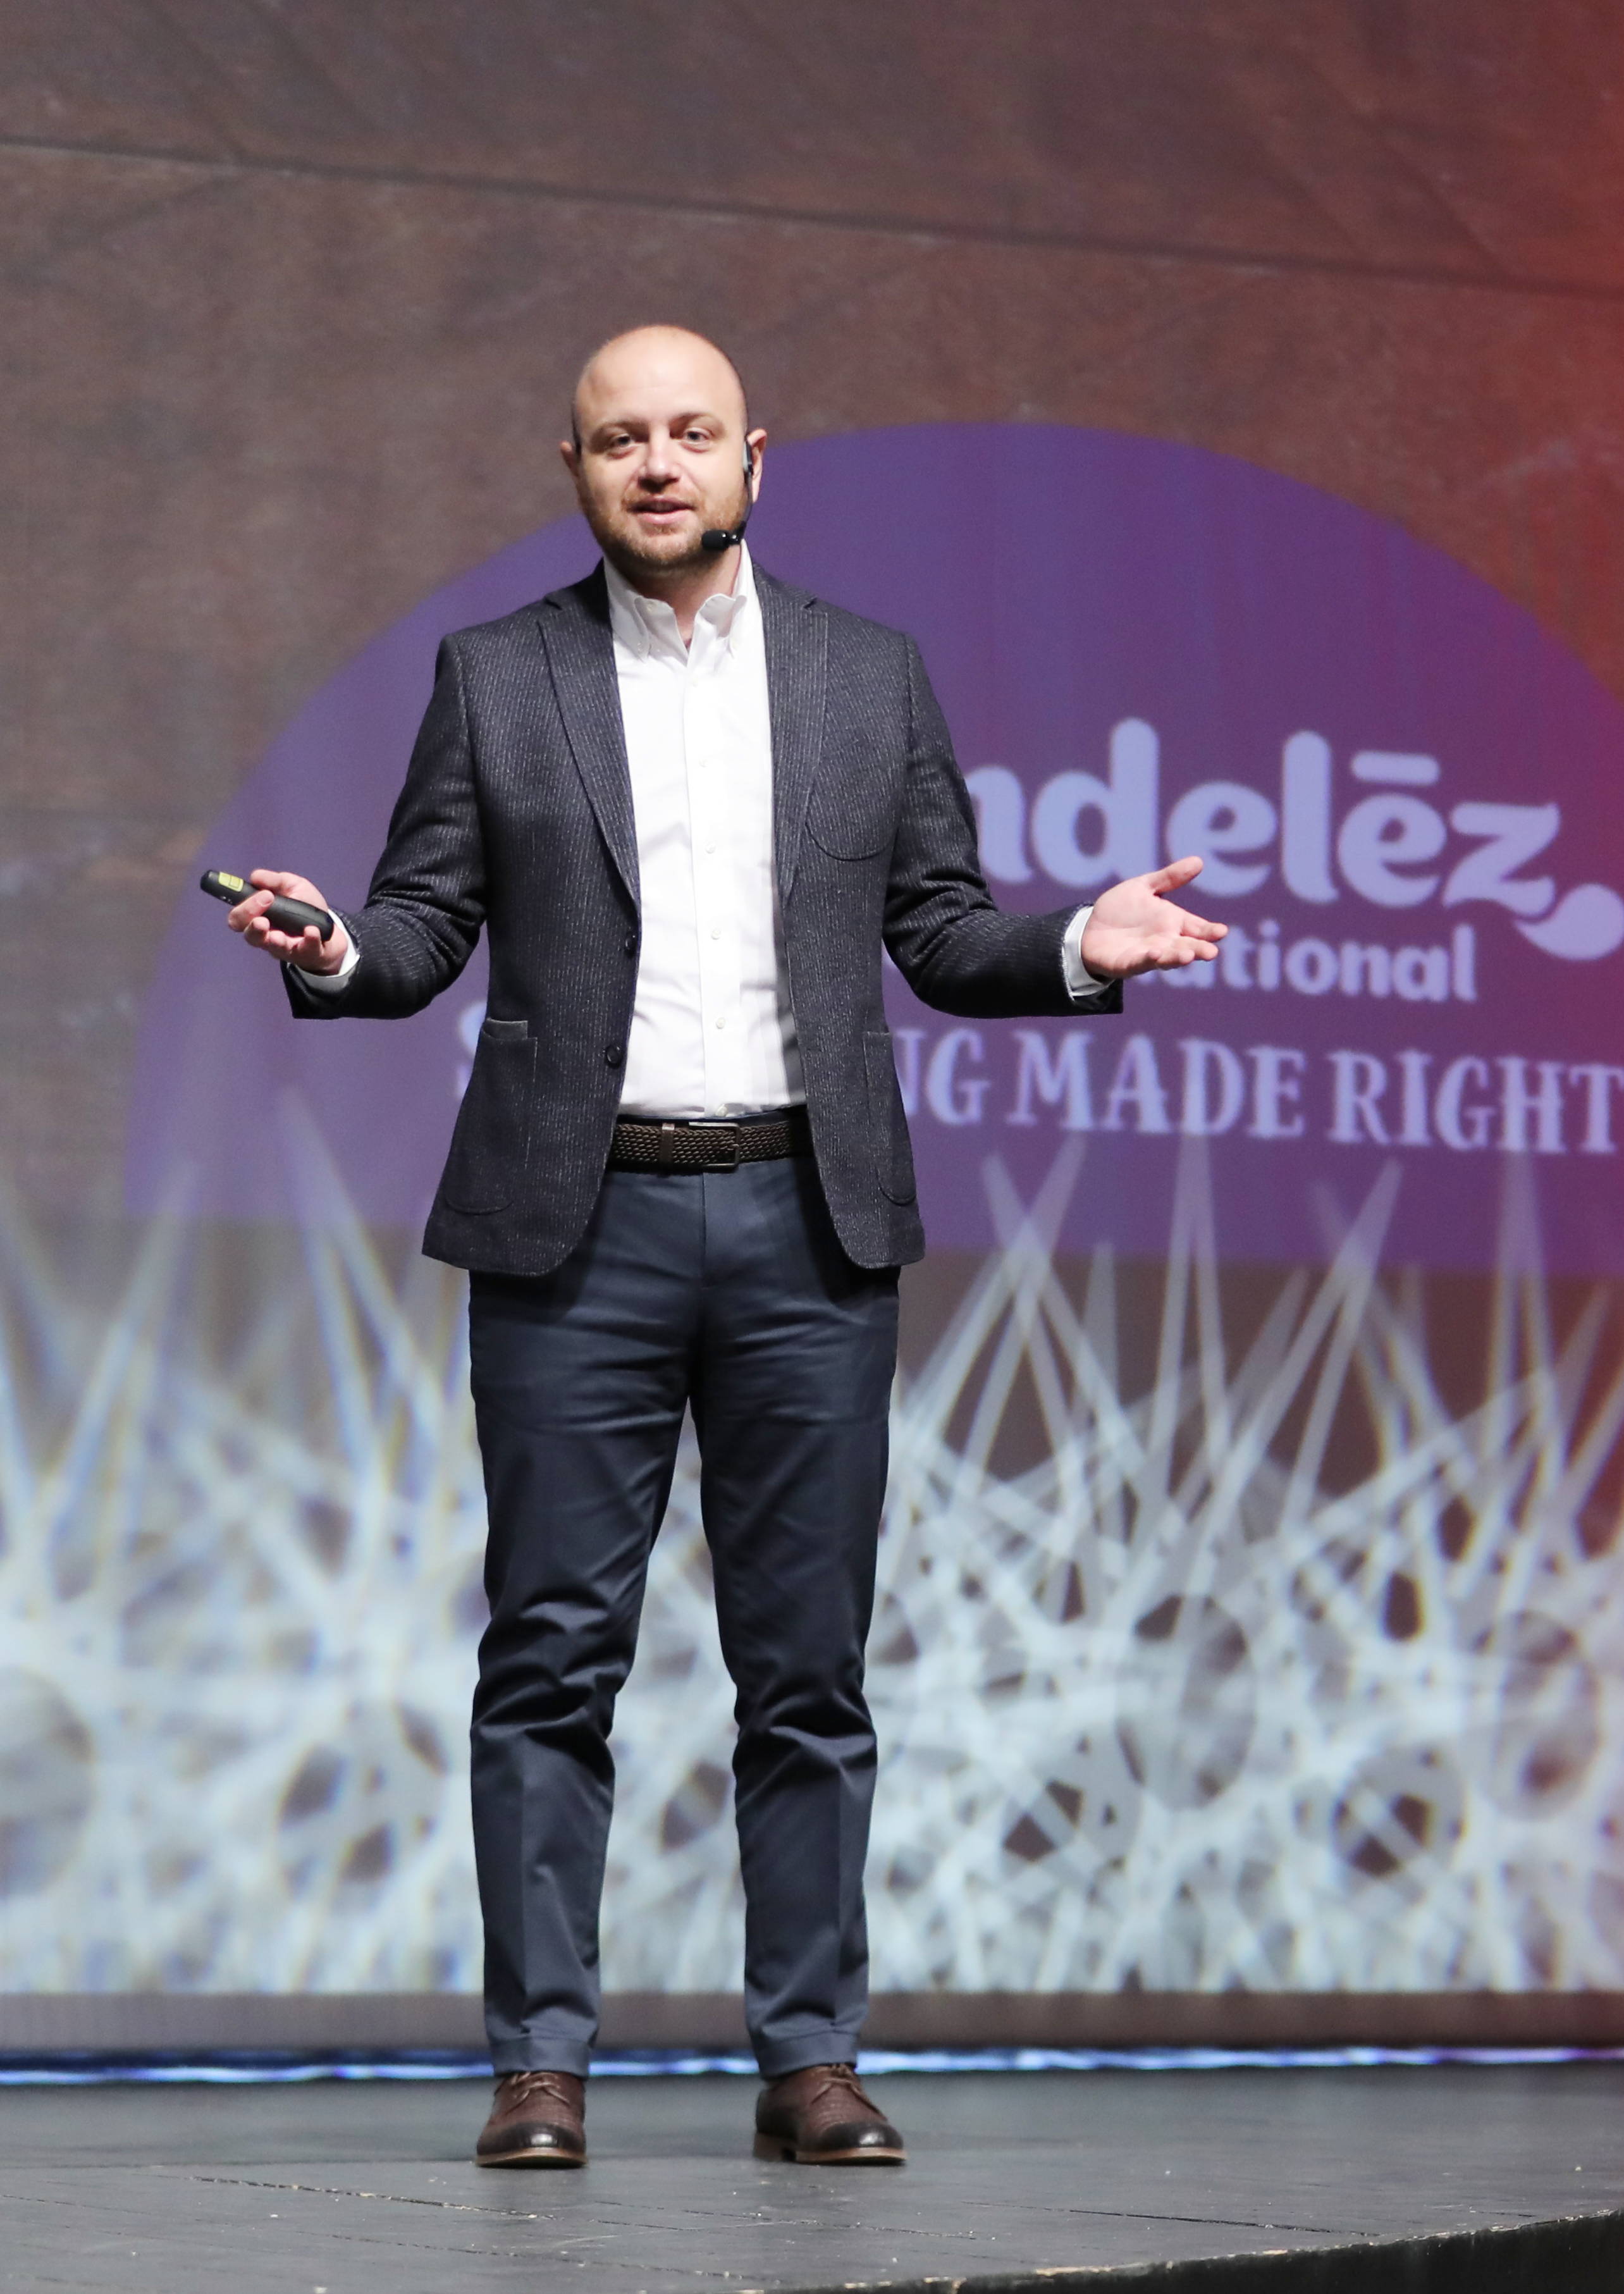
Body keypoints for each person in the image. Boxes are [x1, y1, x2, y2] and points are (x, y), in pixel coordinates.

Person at [223, 325, 1224, 2169]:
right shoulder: (497, 674)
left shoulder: (866, 673)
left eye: (692, 433)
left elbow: (941, 933)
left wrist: (1077, 946)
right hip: (573, 1227)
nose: (658, 462)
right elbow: (423, 927)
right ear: (578, 470)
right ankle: (539, 2066)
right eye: (622, 439)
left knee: (808, 1671)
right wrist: (339, 948)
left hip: (804, 1221)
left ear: (757, 459)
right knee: (549, 1661)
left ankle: (811, 2059)